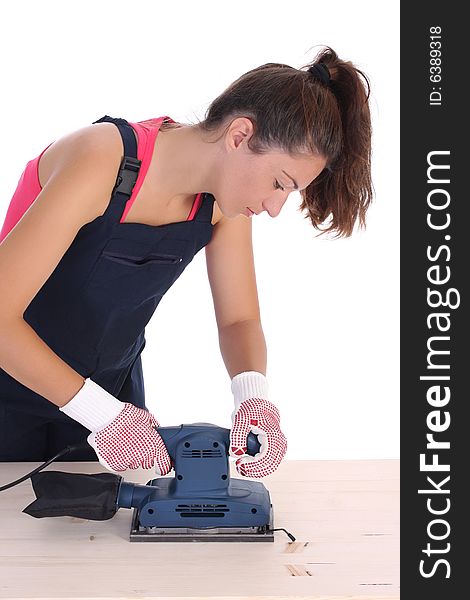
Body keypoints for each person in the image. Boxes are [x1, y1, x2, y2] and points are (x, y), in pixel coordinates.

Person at [0, 46, 373, 478]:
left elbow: (239, 320)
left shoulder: (221, 205)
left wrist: (252, 394)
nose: (274, 207)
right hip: (12, 388)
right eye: (279, 183)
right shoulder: (102, 160)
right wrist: (101, 415)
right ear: (239, 135)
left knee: (103, 542)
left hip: (110, 399)